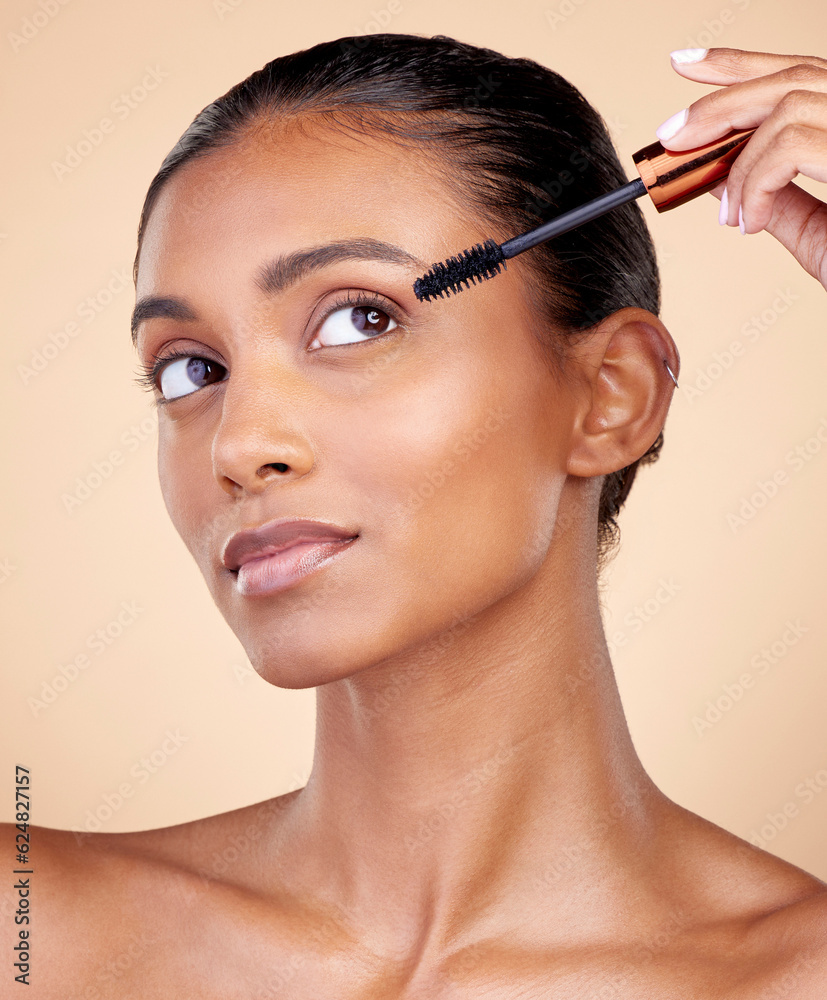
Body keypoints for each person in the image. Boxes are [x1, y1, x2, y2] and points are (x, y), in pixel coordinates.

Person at [5, 36, 827, 997]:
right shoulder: (33, 933)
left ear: (611, 395)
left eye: (360, 319)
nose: (237, 445)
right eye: (192, 368)